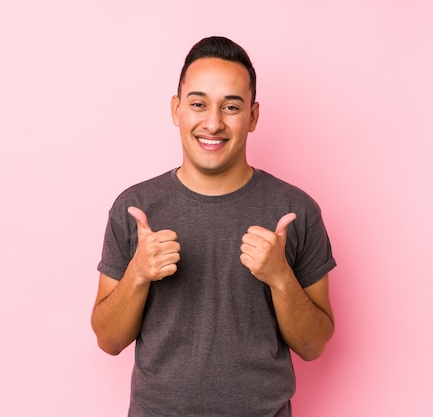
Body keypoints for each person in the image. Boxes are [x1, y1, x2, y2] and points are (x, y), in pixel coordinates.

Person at [91, 36, 336, 417]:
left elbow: (313, 345)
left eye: (231, 107)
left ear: (253, 116)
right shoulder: (135, 208)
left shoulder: (295, 210)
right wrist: (137, 274)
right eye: (199, 103)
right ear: (177, 109)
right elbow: (108, 340)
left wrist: (280, 277)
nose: (213, 122)